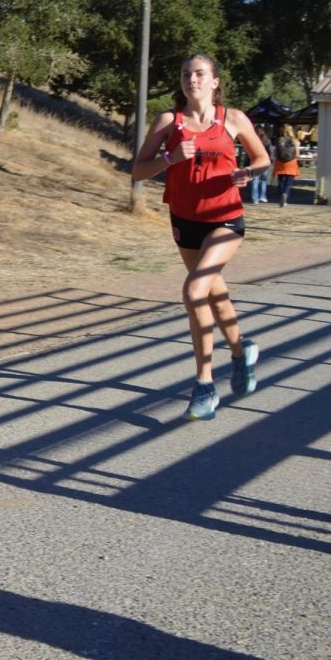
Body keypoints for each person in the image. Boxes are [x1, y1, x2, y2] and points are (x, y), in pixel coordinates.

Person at [132, 54, 269, 421]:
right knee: (213, 294)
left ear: (214, 82)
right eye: (185, 74)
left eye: (199, 74)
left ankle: (205, 385)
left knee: (193, 291)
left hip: (225, 218)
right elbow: (138, 171)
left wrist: (247, 173)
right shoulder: (167, 121)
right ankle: (242, 353)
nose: (191, 79)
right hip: (185, 220)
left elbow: (262, 159)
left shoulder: (233, 119)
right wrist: (170, 158)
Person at [272, 123, 301, 207]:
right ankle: (285, 195)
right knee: (288, 183)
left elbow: (275, 153)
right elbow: (297, 154)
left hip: (280, 163)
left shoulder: (279, 140)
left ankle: (281, 194)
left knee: (281, 181)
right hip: (291, 163)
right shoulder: (295, 141)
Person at [249, 129, 274, 203]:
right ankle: (262, 196)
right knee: (264, 180)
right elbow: (270, 152)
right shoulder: (267, 141)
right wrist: (270, 160)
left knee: (255, 180)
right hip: (265, 162)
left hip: (254, 161)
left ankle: (254, 198)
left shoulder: (252, 140)